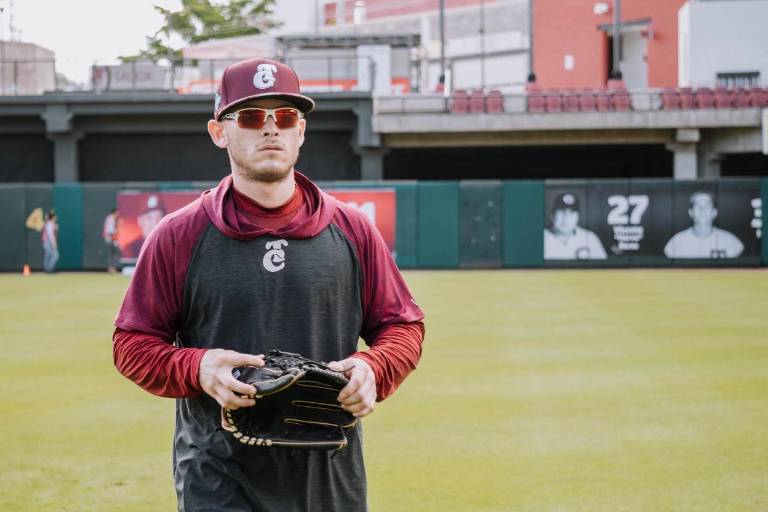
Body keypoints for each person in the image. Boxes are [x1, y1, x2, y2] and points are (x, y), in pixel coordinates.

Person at [112, 57, 425, 512]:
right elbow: (132, 344)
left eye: (286, 117)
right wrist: (197, 367)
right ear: (220, 132)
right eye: (253, 117)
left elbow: (404, 326)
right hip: (216, 478)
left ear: (301, 131)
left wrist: (373, 368)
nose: (271, 129)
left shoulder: (353, 230)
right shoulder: (178, 235)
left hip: (329, 476)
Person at [664, 191, 744, 258]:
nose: (702, 210)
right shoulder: (677, 241)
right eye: (697, 206)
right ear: (691, 212)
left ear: (714, 212)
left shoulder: (731, 241)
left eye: (707, 206)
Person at [544, 192, 607, 260]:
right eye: (562, 212)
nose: (566, 218)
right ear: (552, 215)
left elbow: (605, 268)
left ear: (578, 217)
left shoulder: (589, 237)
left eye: (571, 213)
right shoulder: (540, 238)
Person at [103, 207, 121, 273]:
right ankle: (111, 268)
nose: (118, 214)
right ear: (115, 212)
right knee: (112, 253)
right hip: (109, 239)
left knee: (114, 253)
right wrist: (116, 231)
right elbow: (110, 230)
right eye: (117, 212)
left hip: (111, 239)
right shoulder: (111, 219)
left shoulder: (111, 218)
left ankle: (112, 268)